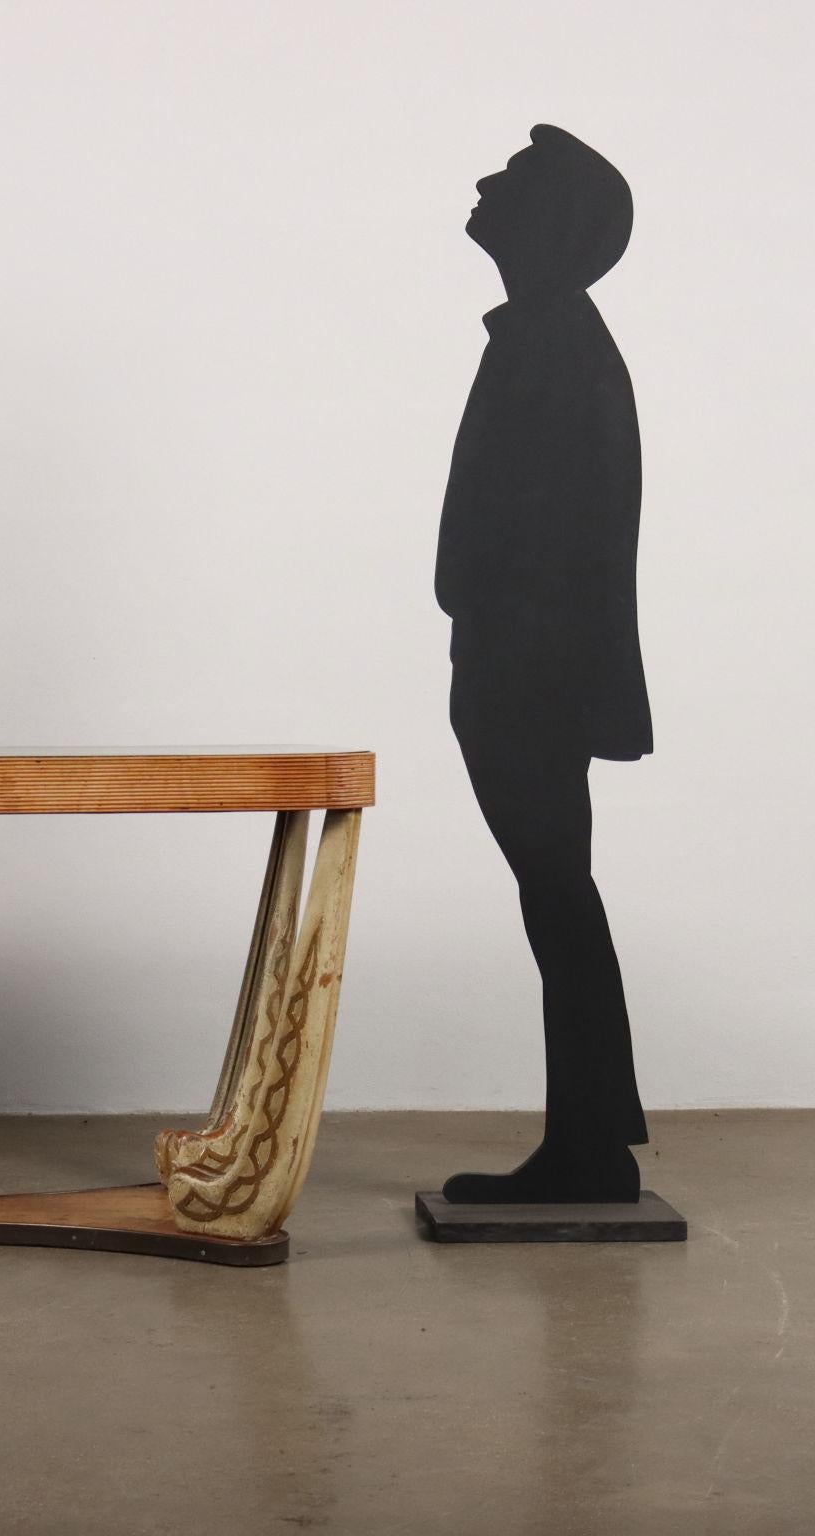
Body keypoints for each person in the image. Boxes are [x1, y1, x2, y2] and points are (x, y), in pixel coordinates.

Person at [435, 125, 651, 1203]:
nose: (484, 183)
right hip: (521, 666)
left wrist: (514, 658)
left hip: (530, 672)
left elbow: (576, 529)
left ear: (556, 225)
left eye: (513, 179)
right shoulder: (547, 338)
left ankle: (592, 1145)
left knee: (558, 893)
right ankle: (592, 1137)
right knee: (557, 893)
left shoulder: (555, 343)